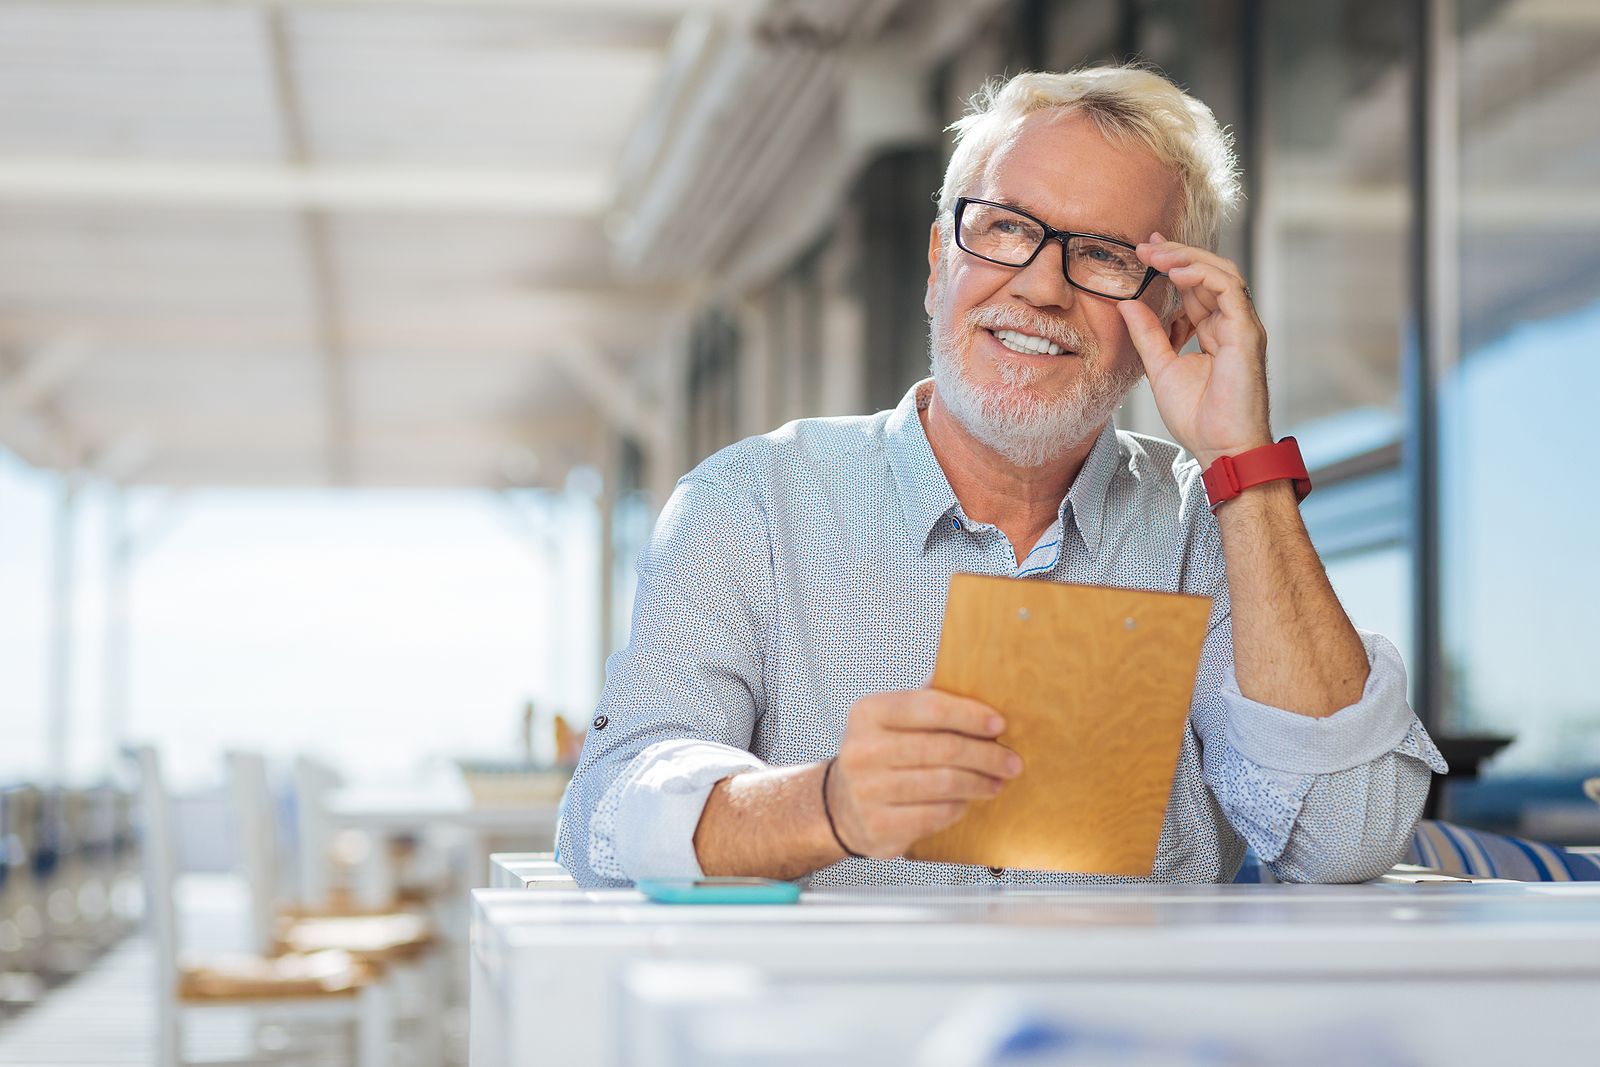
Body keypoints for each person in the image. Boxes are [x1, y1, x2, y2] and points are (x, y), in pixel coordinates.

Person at [555, 65, 1446, 888]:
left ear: (1167, 321)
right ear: (941, 265)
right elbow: (604, 821)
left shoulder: (1204, 525)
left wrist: (1243, 464)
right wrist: (824, 805)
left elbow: (1346, 837)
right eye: (1007, 228)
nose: (1041, 288)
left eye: (1102, 255)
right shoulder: (748, 504)